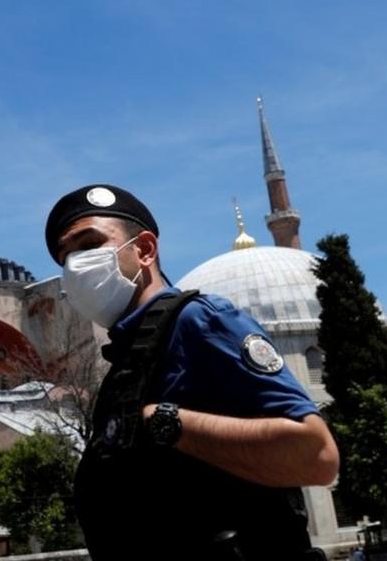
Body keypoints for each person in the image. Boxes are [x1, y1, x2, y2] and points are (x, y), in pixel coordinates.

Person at [44, 185, 340, 560]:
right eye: (64, 257)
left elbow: (314, 454)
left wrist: (166, 423)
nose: (74, 266)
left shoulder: (199, 321)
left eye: (88, 245)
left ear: (145, 249)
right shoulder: (125, 363)